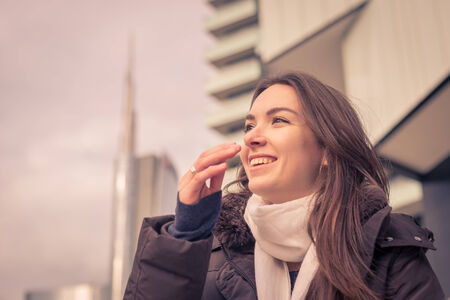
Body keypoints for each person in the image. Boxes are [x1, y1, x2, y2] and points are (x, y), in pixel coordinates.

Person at [123, 72, 445, 300]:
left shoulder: (389, 250)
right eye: (250, 125)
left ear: (327, 151)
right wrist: (184, 238)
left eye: (279, 120)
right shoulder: (211, 253)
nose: (251, 136)